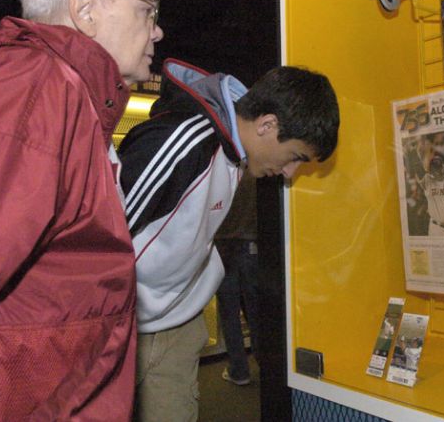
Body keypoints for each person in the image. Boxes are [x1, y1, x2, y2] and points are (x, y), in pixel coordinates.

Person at [0, 0, 163, 421]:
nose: (157, 30)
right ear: (85, 10)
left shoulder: (61, 90)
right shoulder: (36, 83)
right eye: (148, 10)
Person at [119, 58, 340, 422]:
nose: (290, 172)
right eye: (295, 157)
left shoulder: (236, 154)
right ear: (267, 125)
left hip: (175, 326)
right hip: (127, 330)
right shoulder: (186, 142)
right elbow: (100, 240)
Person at [214, 171, 260, 386]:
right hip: (252, 245)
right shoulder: (256, 171)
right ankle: (267, 364)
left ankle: (239, 370)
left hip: (222, 247)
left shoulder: (221, 171)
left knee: (229, 312)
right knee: (256, 311)